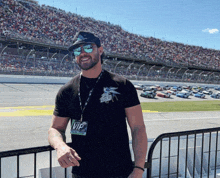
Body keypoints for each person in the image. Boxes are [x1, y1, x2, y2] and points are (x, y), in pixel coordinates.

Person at [48, 31, 148, 178]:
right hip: (82, 173)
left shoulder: (122, 85)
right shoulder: (66, 91)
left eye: (88, 48)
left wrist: (139, 168)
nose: (83, 53)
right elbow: (55, 129)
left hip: (120, 172)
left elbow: (138, 128)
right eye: (78, 50)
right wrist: (60, 146)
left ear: (100, 50)